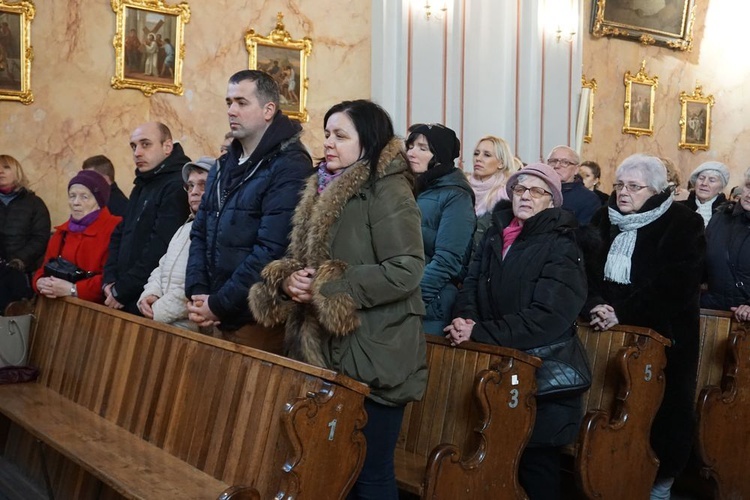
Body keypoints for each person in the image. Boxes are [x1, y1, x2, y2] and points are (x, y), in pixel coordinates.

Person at [249, 99, 427, 499]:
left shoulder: (387, 190)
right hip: (324, 348)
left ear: (369, 142)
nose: (328, 143)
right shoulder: (320, 187)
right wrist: (288, 281)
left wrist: (328, 286)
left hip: (375, 351)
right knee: (330, 469)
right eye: (327, 133)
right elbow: (306, 261)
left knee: (370, 474)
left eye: (340, 135)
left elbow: (406, 269)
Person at [447, 163, 586, 499]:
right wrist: (466, 319)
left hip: (544, 377)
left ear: (552, 201)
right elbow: (471, 284)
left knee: (535, 466)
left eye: (537, 191)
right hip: (501, 367)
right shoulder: (497, 234)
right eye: (520, 189)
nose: (526, 196)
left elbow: (548, 316)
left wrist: (480, 332)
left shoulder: (562, 244)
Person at [586, 154, 705, 500]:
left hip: (665, 335)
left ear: (655, 191)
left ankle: (660, 483)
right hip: (605, 331)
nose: (623, 193)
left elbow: (677, 283)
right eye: (620, 185)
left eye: (634, 187)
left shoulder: (683, 223)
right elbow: (586, 269)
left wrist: (621, 311)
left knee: (664, 411)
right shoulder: (602, 218)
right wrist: (596, 304)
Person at [185, 70, 312, 337]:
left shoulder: (290, 165)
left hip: (254, 319)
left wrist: (218, 304)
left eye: (242, 103)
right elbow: (199, 232)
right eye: (229, 102)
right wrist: (198, 291)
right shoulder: (223, 164)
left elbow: (271, 249)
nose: (232, 110)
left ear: (268, 110)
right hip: (212, 308)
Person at [102, 122, 190, 314]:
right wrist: (109, 279)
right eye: (133, 146)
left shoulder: (177, 185)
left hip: (146, 297)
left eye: (145, 144)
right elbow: (120, 232)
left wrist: (123, 289)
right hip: (122, 291)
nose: (137, 153)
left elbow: (159, 247)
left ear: (167, 147)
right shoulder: (142, 183)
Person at [405, 123, 475, 335]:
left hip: (429, 303)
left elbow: (448, 260)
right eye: (410, 146)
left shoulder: (456, 196)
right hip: (397, 296)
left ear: (440, 156)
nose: (411, 153)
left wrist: (411, 300)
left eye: (422, 148)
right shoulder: (409, 187)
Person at [138, 157, 214, 330]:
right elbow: (162, 267)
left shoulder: (218, 229)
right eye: (190, 185)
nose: (194, 191)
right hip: (163, 324)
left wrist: (156, 311)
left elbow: (195, 286)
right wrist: (150, 294)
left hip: (190, 332)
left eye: (203, 184)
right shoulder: (184, 228)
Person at [33, 171, 121, 303]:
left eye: (84, 197)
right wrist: (40, 282)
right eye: (72, 196)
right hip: (57, 308)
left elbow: (114, 277)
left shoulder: (115, 229)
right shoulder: (62, 232)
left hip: (96, 313)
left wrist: (73, 289)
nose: (76, 202)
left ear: (99, 201)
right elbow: (44, 267)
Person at [0, 155, 51, 312]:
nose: (0, 171)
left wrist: (20, 260)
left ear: (18, 172)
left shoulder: (34, 204)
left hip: (20, 272)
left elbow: (40, 239)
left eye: (6, 167)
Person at [701, 167, 750, 320]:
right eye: (749, 186)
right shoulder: (721, 217)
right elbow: (701, 263)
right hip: (710, 312)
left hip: (744, 320)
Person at [468, 135, 518, 247]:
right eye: (476, 153)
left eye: (487, 155)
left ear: (501, 163)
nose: (478, 158)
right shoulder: (462, 188)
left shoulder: (506, 194)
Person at [547, 145, 600, 225]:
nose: (557, 166)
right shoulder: (537, 190)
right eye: (553, 161)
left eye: (565, 162)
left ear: (576, 169)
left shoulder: (589, 199)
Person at [680, 161, 729, 226]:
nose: (704, 183)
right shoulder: (679, 208)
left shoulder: (728, 214)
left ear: (721, 188)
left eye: (712, 180)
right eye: (701, 178)